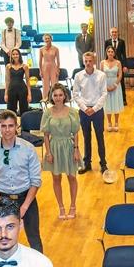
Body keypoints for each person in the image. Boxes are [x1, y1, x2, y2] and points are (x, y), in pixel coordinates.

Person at [0, 110, 43, 252]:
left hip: (26, 199)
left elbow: (35, 181)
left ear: (16, 126)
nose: (7, 130)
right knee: (2, 239)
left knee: (34, 238)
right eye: (3, 126)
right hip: (2, 198)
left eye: (11, 126)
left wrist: (24, 207)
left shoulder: (28, 149)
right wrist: (1, 204)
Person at [41, 83, 81, 220]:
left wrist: (76, 150)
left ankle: (73, 206)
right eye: (55, 95)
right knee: (56, 178)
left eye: (60, 95)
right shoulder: (47, 112)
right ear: (51, 96)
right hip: (54, 147)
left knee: (72, 177)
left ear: (65, 96)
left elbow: (75, 132)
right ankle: (61, 207)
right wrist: (48, 152)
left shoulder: (72, 112)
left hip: (68, 146)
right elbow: (45, 134)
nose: (58, 98)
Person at [72, 52, 108, 175]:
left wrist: (95, 108)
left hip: (97, 110)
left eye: (90, 61)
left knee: (100, 137)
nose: (88, 63)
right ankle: (87, 164)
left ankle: (103, 163)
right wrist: (84, 107)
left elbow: (104, 93)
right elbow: (75, 94)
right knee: (86, 138)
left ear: (94, 61)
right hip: (84, 111)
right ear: (83, 62)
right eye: (86, 61)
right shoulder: (78, 76)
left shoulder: (101, 75)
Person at [101, 45, 124, 131]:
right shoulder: (102, 62)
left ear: (114, 53)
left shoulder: (118, 63)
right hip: (106, 84)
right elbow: (101, 75)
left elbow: (120, 75)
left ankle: (116, 122)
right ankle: (109, 123)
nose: (110, 53)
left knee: (115, 102)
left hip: (116, 84)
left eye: (112, 52)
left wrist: (115, 85)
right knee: (108, 104)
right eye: (109, 52)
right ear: (106, 53)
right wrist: (105, 86)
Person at [4, 48, 30, 116]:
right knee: (11, 111)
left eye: (17, 54)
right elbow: (7, 81)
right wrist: (6, 94)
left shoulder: (25, 66)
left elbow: (28, 81)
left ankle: (24, 125)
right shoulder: (8, 66)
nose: (15, 56)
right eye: (13, 54)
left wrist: (29, 94)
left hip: (22, 89)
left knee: (24, 110)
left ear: (19, 55)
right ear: (11, 56)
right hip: (11, 89)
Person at [104, 26, 127, 97]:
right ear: (110, 34)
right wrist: (105, 64)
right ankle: (111, 96)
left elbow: (124, 54)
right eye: (112, 32)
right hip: (110, 64)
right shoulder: (107, 42)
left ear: (118, 33)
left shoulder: (122, 42)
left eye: (115, 32)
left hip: (119, 64)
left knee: (121, 81)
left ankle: (123, 98)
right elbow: (106, 54)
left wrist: (125, 66)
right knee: (110, 81)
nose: (114, 33)